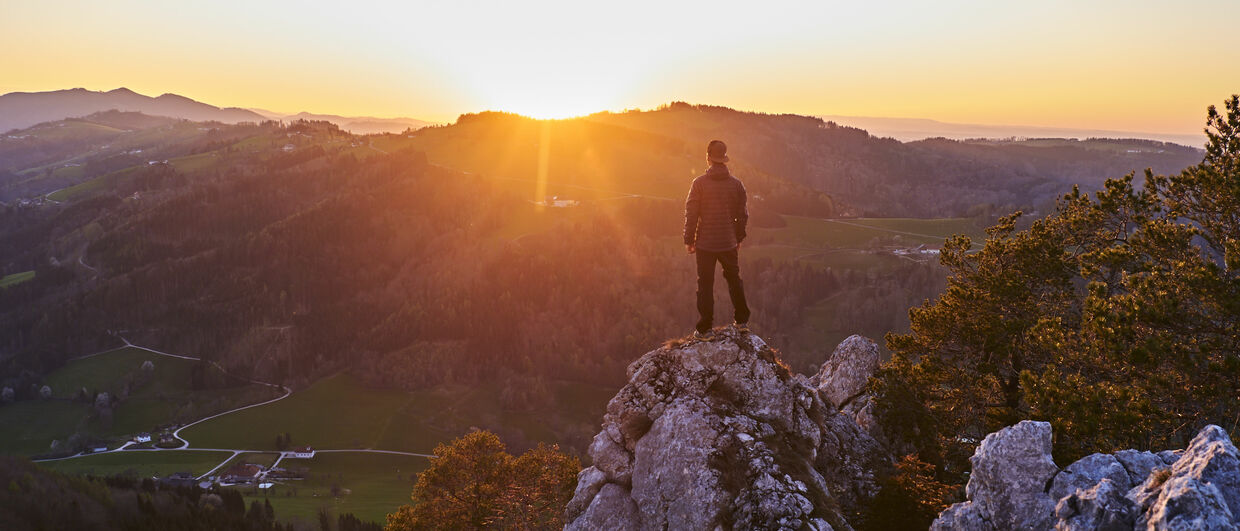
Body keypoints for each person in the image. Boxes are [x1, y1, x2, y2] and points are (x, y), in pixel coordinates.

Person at [684, 140, 751, 339]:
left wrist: (689, 239)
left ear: (708, 158)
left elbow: (691, 213)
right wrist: (738, 237)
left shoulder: (699, 184)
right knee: (734, 280)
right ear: (724, 159)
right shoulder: (736, 185)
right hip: (728, 242)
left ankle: (705, 329)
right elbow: (742, 214)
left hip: (705, 243)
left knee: (705, 284)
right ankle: (742, 322)